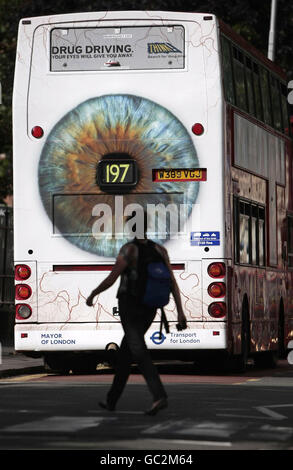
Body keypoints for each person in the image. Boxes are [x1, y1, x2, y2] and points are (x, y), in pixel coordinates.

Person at [86, 215, 187, 416]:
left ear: (131, 228)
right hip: (150, 307)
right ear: (147, 226)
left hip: (130, 306)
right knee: (125, 355)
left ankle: (159, 396)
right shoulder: (160, 250)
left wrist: (92, 294)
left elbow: (112, 278)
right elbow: (172, 282)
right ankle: (111, 400)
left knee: (138, 350)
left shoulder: (129, 250)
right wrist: (180, 313)